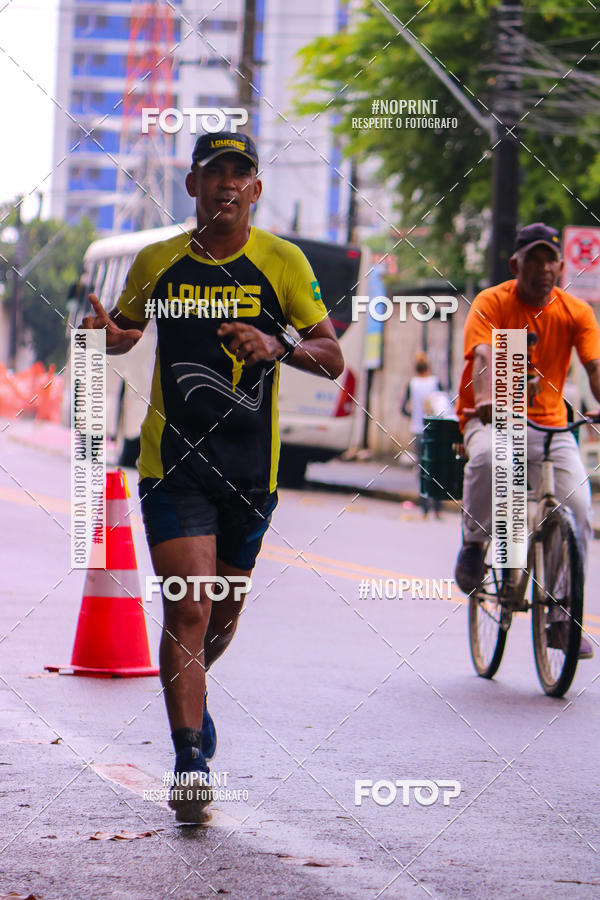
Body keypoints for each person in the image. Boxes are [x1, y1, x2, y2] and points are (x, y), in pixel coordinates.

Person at [80, 131, 344, 821]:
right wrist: (106, 336)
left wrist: (277, 341)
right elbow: (128, 331)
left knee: (221, 617)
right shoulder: (156, 259)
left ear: (255, 189)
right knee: (189, 607)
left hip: (251, 471)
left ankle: (192, 695)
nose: (228, 184)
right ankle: (189, 757)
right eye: (214, 172)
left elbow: (331, 356)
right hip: (173, 462)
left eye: (241, 174)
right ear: (192, 185)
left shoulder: (282, 263)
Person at [455, 222, 600, 659]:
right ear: (515, 263)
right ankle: (475, 544)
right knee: (485, 459)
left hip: (552, 426)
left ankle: (560, 617)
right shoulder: (493, 303)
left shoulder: (575, 311)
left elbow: (594, 367)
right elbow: (483, 354)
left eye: (550, 259)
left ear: (560, 264)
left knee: (577, 508)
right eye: (533, 259)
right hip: (494, 417)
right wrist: (485, 401)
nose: (543, 268)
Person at [401, 352, 443, 517]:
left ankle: (424, 507)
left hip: (418, 431)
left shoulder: (412, 384)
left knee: (422, 469)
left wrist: (414, 417)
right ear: (429, 367)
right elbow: (443, 405)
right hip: (434, 432)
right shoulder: (435, 383)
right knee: (436, 467)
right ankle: (437, 508)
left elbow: (403, 408)